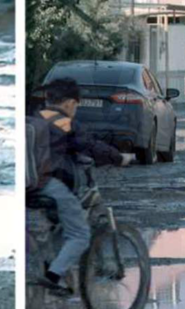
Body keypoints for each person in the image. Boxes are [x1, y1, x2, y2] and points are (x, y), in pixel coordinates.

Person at [31, 77, 135, 292]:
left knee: (53, 223)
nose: (75, 110)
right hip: (50, 184)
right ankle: (53, 276)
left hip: (28, 185)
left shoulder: (35, 118)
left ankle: (50, 262)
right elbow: (90, 145)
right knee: (80, 234)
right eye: (76, 105)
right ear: (69, 103)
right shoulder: (64, 122)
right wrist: (119, 158)